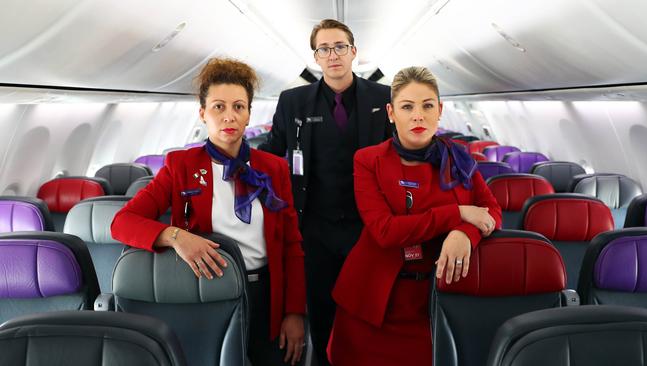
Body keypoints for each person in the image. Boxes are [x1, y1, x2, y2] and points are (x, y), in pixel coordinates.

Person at [111, 58, 306, 366]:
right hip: (207, 290)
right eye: (218, 106)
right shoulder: (180, 166)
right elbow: (121, 223)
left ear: (249, 114)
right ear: (202, 113)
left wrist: (295, 313)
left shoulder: (273, 168)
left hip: (267, 294)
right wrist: (175, 237)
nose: (229, 116)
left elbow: (293, 244)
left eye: (238, 107)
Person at [328, 66, 502, 366]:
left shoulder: (459, 159)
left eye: (427, 106)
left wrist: (466, 234)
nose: (418, 116)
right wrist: (457, 214)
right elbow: (385, 231)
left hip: (433, 300)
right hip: (373, 302)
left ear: (440, 110)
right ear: (391, 112)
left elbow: (492, 213)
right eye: (407, 107)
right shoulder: (369, 161)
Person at [258, 19, 392, 365]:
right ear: (315, 57)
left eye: (340, 47)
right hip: (314, 228)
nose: (333, 55)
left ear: (354, 52)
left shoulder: (385, 98)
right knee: (321, 313)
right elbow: (272, 154)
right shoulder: (293, 102)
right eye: (324, 49)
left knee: (367, 316)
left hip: (369, 228)